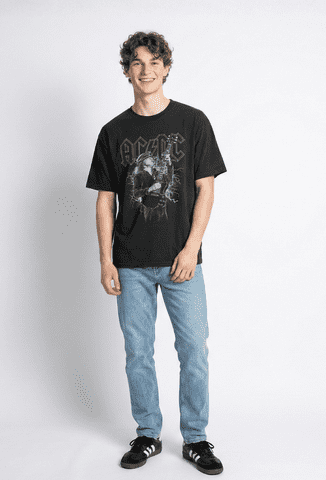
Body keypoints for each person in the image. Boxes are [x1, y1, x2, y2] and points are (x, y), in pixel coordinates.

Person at [85, 31, 227, 475]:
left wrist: (191, 247)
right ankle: (148, 433)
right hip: (130, 263)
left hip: (181, 261)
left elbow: (206, 189)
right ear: (127, 71)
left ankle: (196, 438)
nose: (145, 71)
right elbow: (105, 200)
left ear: (166, 68)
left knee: (194, 351)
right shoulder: (113, 132)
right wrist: (106, 260)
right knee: (138, 353)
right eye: (137, 63)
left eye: (154, 62)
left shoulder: (192, 122)